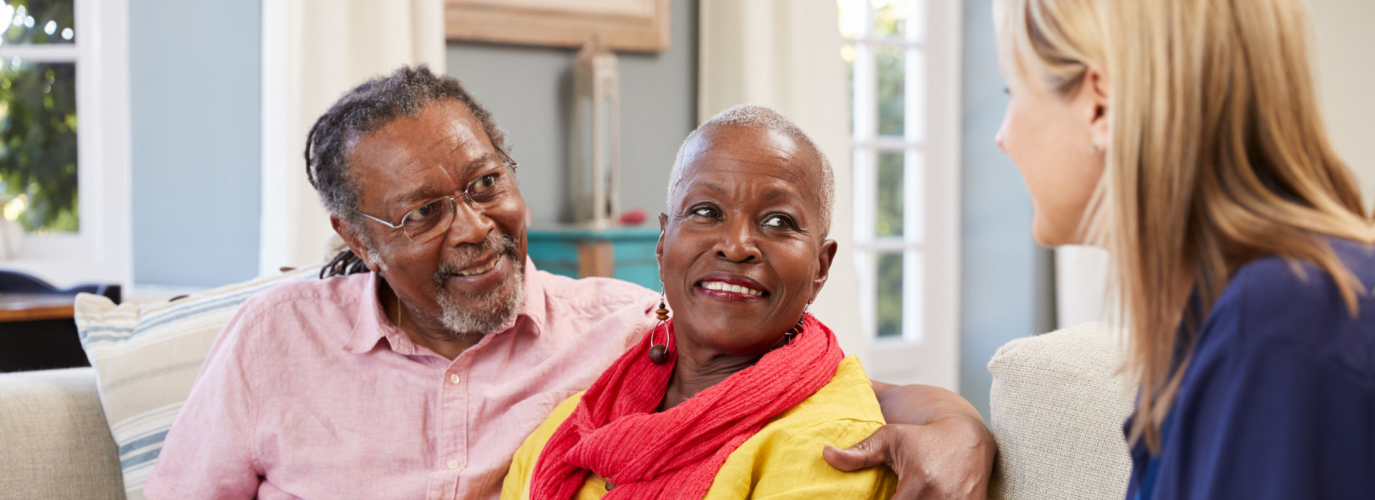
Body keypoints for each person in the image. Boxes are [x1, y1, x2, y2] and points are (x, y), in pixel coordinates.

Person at [145, 66, 995, 499]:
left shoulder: (625, 331)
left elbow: (819, 385)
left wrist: (963, 429)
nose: (475, 228)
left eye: (485, 185)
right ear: (355, 238)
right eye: (424, 213)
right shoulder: (274, 340)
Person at [992, 0, 1375, 497]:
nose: (1002, 137)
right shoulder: (1220, 323)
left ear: (1100, 105)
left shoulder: (1281, 318)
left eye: (1012, 90)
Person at [503, 105, 897, 499]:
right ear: (662, 242)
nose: (736, 246)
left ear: (820, 268)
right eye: (706, 211)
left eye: (778, 221)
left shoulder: (834, 440)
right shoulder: (570, 423)